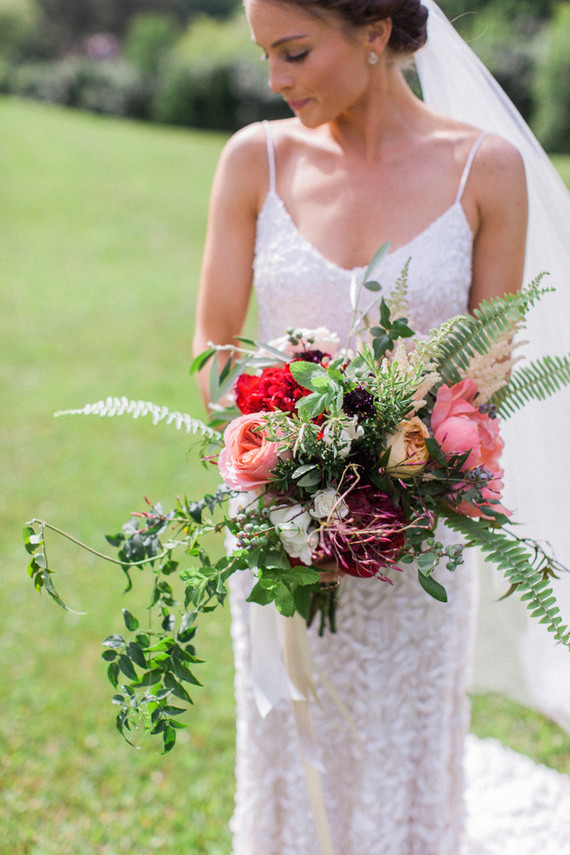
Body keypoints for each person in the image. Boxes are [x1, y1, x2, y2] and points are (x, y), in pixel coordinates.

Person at [193, 2, 570, 853]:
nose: (273, 81)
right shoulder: (253, 160)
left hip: (417, 535)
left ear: (373, 32)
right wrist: (294, 437)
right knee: (293, 742)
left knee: (403, 741)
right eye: (265, 56)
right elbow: (212, 361)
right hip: (280, 524)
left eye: (292, 52)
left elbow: (487, 378)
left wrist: (388, 458)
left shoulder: (486, 170)